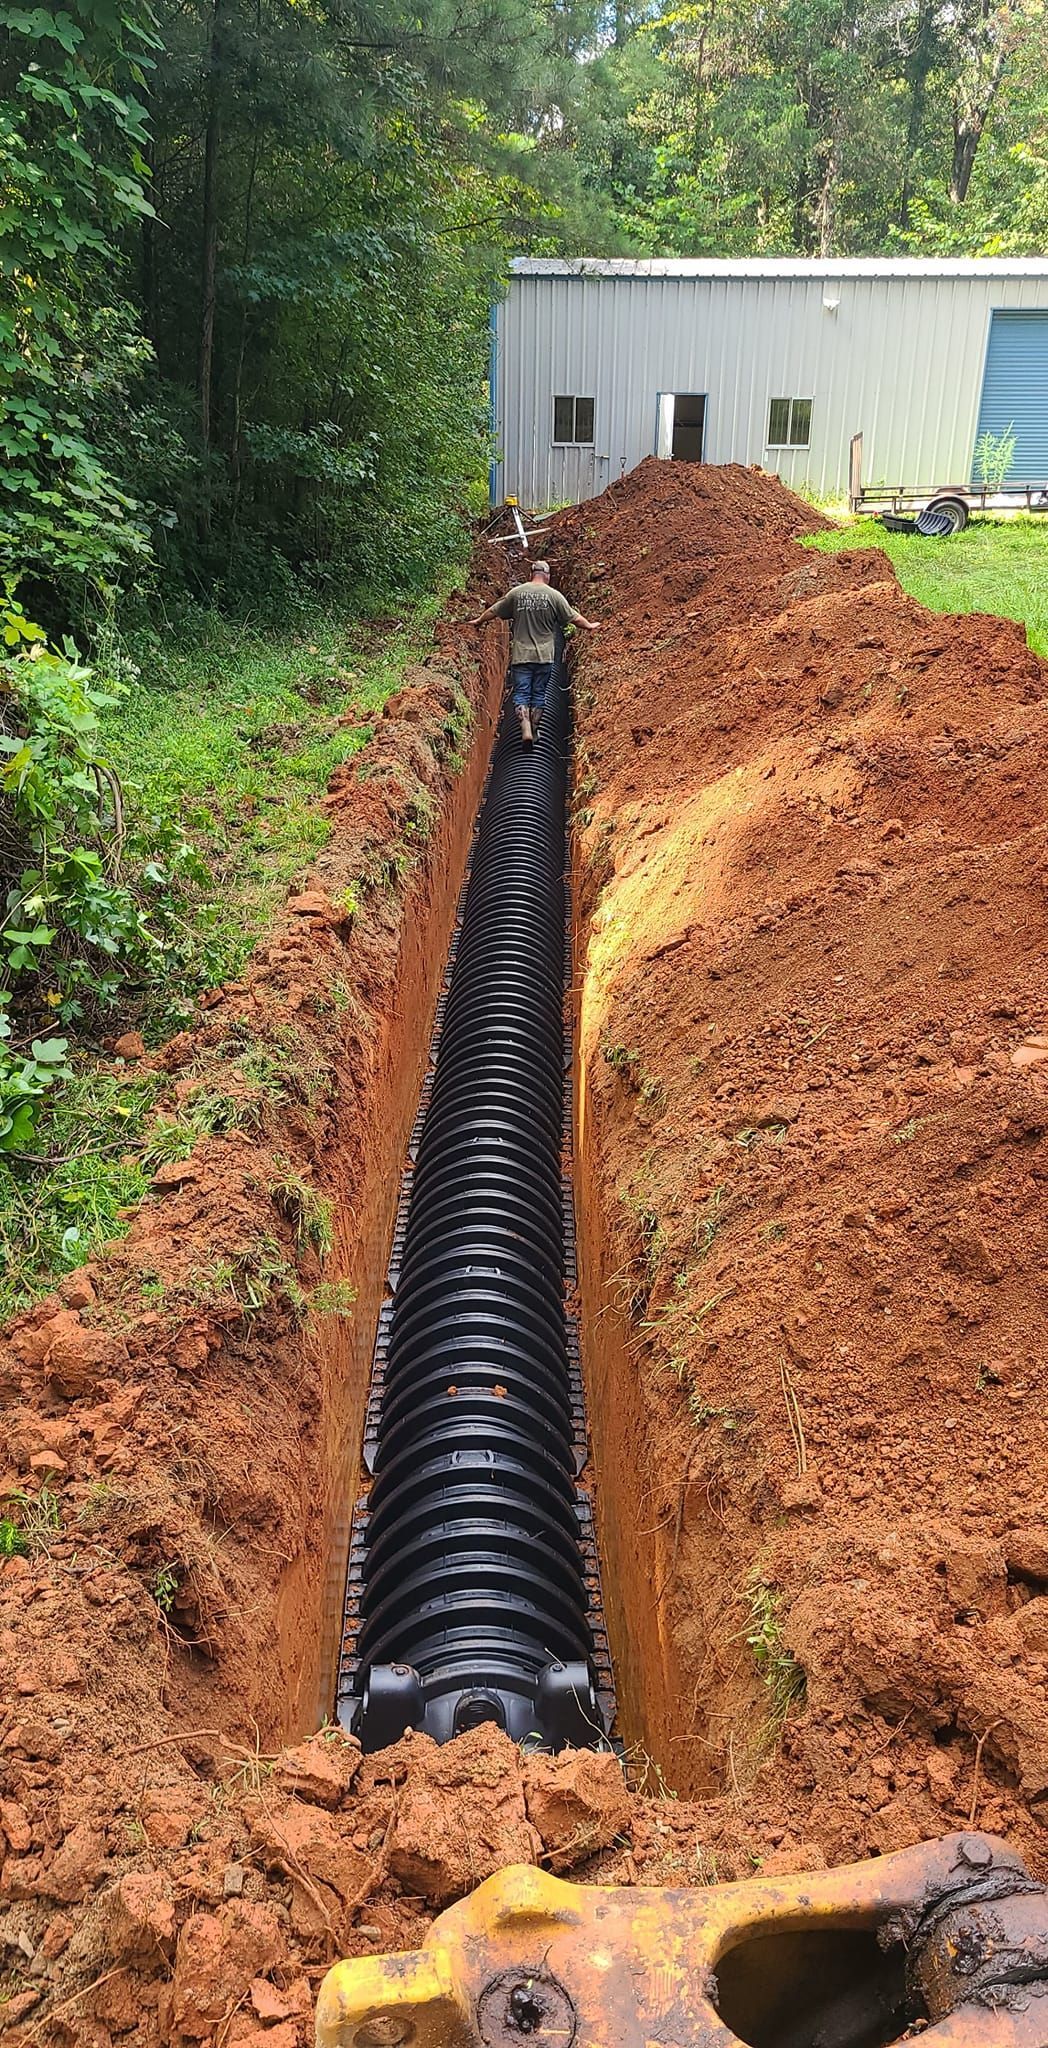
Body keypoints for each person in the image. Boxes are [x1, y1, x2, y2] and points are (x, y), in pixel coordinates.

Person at [470, 561, 601, 748]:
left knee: (522, 693)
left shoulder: (516, 593)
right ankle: (535, 728)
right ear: (547, 575)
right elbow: (574, 617)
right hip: (544, 657)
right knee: (539, 694)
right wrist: (589, 625)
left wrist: (478, 621)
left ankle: (525, 729)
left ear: (531, 573)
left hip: (521, 656)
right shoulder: (554, 596)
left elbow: (494, 611)